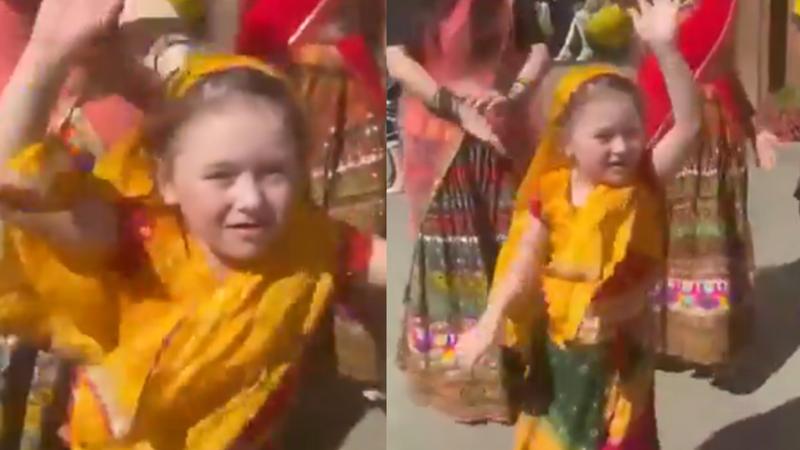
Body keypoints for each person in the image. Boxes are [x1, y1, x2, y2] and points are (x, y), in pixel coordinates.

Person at [0, 1, 386, 448]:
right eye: (222, 176)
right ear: (167, 182)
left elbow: (383, 264)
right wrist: (46, 56)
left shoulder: (309, 243)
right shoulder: (139, 237)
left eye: (274, 173)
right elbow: (15, 186)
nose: (251, 199)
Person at [457, 0, 700, 447]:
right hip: (564, 357)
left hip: (624, 358)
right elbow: (523, 263)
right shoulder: (550, 196)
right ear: (566, 143)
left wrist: (665, 49)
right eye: (603, 136)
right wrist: (490, 322)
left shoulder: (643, 182)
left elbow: (687, 126)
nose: (621, 147)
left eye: (631, 132)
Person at [388, 0, 551, 424]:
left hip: (503, 132)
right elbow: (396, 58)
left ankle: (518, 364)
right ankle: (462, 378)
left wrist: (512, 97)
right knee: (451, 255)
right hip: (439, 139)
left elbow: (538, 48)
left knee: (513, 245)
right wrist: (457, 106)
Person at [637, 0, 776, 376]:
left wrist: (753, 125)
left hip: (709, 126)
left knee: (705, 232)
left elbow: (724, 65)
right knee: (655, 228)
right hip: (654, 114)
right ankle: (657, 331)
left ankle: (702, 335)